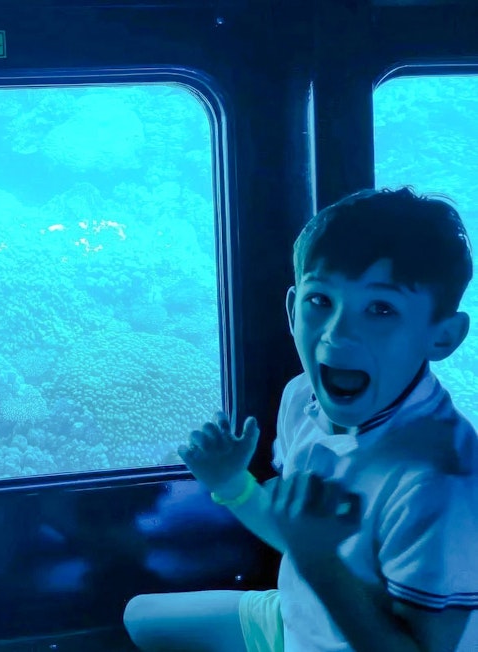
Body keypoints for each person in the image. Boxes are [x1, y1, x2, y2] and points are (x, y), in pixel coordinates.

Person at [123, 187, 478, 652]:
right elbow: (293, 534)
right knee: (139, 618)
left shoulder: (442, 480)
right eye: (320, 301)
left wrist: (318, 560)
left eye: (381, 308)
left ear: (443, 337)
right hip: (296, 617)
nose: (338, 334)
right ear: (293, 310)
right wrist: (232, 483)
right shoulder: (302, 398)